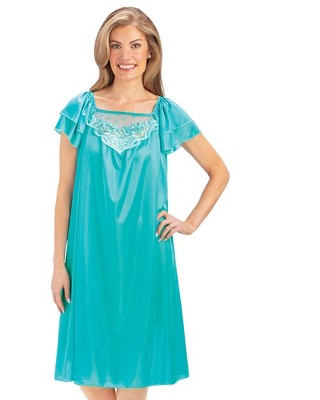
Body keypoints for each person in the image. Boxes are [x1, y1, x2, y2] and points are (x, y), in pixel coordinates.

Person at [50, 6, 229, 400]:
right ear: (105, 52)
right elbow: (65, 190)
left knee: (134, 381)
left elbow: (218, 171)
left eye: (134, 45)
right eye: (115, 45)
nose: (125, 55)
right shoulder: (81, 110)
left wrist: (190, 223)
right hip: (89, 258)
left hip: (145, 257)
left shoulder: (165, 113)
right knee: (90, 370)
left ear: (151, 52)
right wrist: (58, 263)